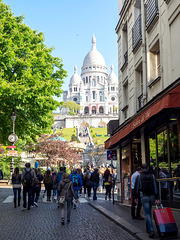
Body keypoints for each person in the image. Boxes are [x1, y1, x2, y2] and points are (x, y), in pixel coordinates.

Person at [134, 163, 159, 238]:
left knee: (147, 213)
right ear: (148, 168)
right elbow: (155, 187)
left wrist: (136, 197)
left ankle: (151, 230)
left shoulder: (139, 176)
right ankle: (148, 228)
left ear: (141, 168)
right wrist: (157, 197)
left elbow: (137, 187)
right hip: (151, 196)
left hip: (144, 196)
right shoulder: (152, 176)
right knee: (149, 212)